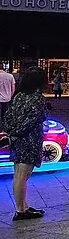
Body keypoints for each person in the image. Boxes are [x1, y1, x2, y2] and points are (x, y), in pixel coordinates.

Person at [1, 67, 48, 220]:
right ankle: (21, 210)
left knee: (18, 175)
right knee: (22, 176)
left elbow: (7, 118)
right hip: (29, 141)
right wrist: (19, 131)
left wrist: (12, 132)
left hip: (16, 141)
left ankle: (23, 206)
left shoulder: (18, 96)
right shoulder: (37, 98)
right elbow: (34, 119)